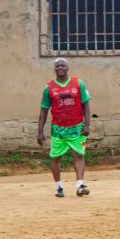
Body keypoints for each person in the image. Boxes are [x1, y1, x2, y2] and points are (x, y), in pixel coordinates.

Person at [37, 57, 92, 197]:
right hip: (58, 130)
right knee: (55, 157)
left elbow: (86, 105)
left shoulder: (78, 84)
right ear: (54, 69)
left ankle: (80, 185)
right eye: (57, 66)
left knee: (79, 155)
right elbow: (44, 110)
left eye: (62, 65)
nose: (60, 68)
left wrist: (87, 124)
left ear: (68, 68)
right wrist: (40, 132)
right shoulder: (49, 88)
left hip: (77, 128)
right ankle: (59, 188)